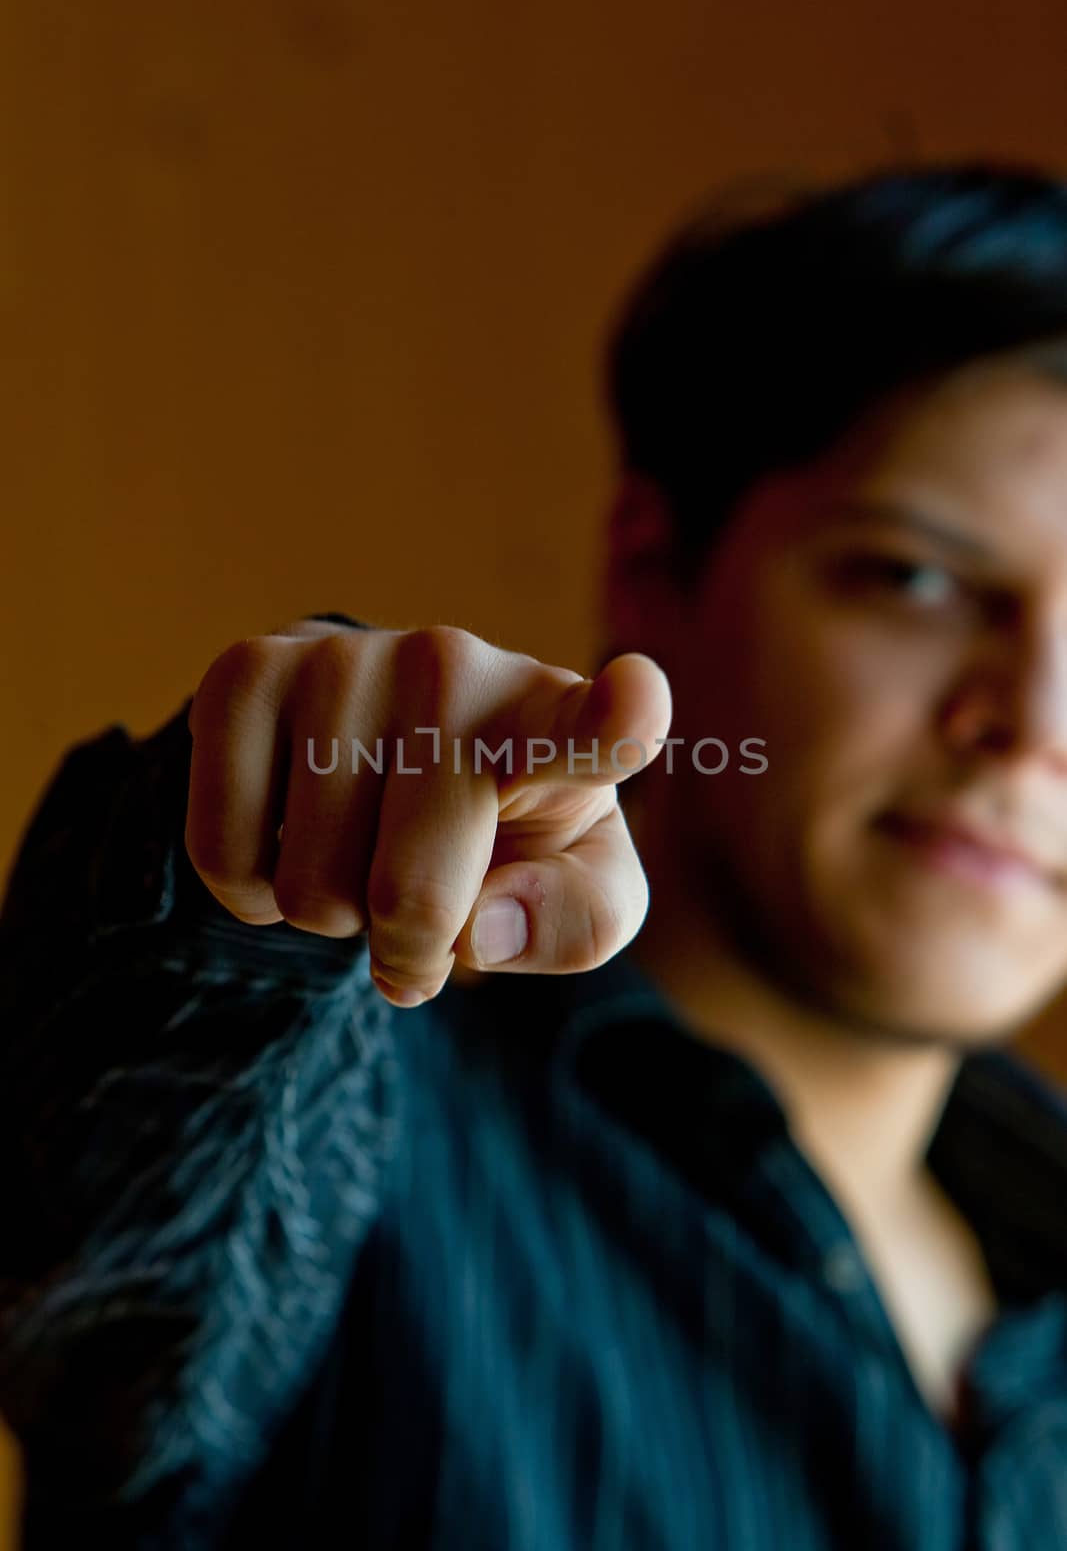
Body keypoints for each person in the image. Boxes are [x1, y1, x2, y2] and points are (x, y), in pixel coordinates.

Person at [4, 162, 1067, 1549]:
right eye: (914, 579)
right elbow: (110, 1240)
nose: (1035, 724)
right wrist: (247, 878)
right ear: (651, 570)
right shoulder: (346, 1141)